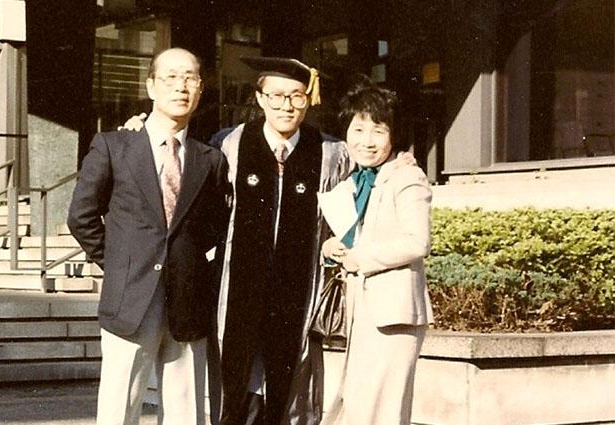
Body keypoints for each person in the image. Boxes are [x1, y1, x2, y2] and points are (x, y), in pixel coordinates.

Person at [67, 47, 230, 425]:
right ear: (151, 86)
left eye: (190, 78)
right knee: (119, 407)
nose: (181, 86)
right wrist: (121, 263)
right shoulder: (114, 146)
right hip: (130, 298)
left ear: (201, 89)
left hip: (187, 300)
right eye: (171, 77)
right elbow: (81, 216)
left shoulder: (211, 159)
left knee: (187, 409)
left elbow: (214, 226)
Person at [213, 56, 351, 425]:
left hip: (297, 291)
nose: (286, 105)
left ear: (308, 98)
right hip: (239, 288)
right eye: (275, 96)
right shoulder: (230, 144)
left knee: (286, 388)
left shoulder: (331, 153)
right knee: (237, 384)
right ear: (259, 98)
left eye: (296, 96)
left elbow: (348, 217)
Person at [318, 75, 434, 424]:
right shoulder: (354, 179)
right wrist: (331, 248)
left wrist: (361, 258)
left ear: (393, 135)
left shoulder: (406, 177)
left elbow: (418, 241)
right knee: (357, 404)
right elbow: (351, 234)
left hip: (393, 315)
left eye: (378, 131)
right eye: (358, 130)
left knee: (382, 410)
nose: (367, 142)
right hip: (362, 310)